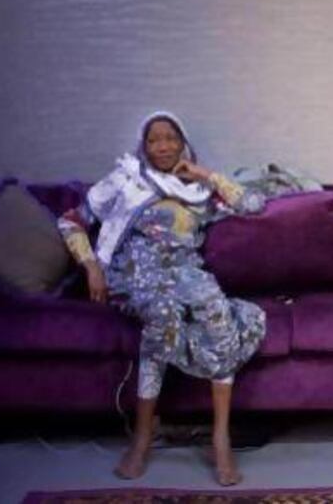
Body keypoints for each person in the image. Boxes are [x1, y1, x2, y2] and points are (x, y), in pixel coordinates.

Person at [57, 111, 266, 486]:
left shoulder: (200, 192)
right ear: (144, 145)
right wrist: (91, 266)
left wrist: (207, 175)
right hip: (136, 272)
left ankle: (221, 438)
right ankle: (142, 436)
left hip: (186, 273)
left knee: (218, 317)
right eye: (154, 139)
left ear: (183, 142)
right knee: (163, 314)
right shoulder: (127, 180)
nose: (163, 146)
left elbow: (254, 204)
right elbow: (71, 219)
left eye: (171, 137)